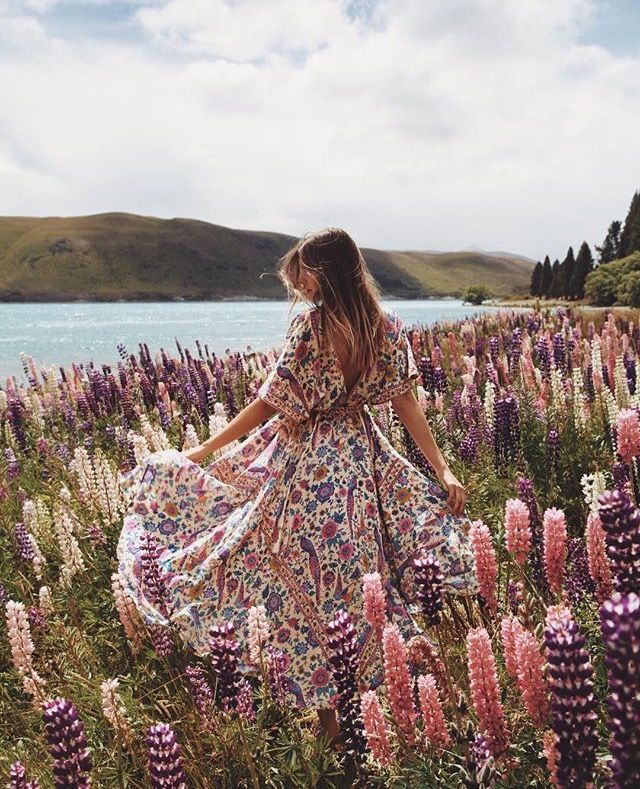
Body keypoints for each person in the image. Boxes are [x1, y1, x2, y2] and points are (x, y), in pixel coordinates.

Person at [116, 227, 478, 747]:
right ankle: (364, 712)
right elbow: (404, 404)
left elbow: (269, 403)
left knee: (266, 560)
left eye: (305, 272)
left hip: (308, 467)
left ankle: (331, 719)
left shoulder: (312, 328)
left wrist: (205, 451)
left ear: (323, 272)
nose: (300, 282)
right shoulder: (386, 326)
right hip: (361, 465)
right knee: (359, 582)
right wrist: (440, 468)